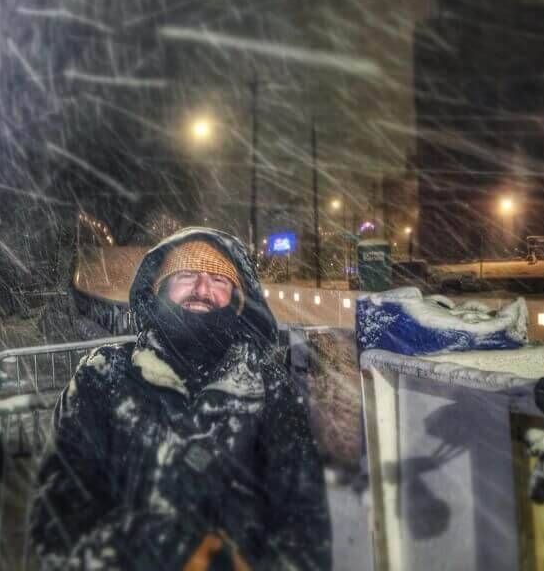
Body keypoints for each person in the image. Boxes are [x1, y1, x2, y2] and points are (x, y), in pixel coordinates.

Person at [29, 227, 331, 570]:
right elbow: (61, 513)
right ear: (157, 289)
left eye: (219, 280)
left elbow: (303, 525)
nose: (203, 289)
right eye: (187, 274)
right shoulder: (103, 376)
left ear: (237, 301)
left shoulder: (270, 389)